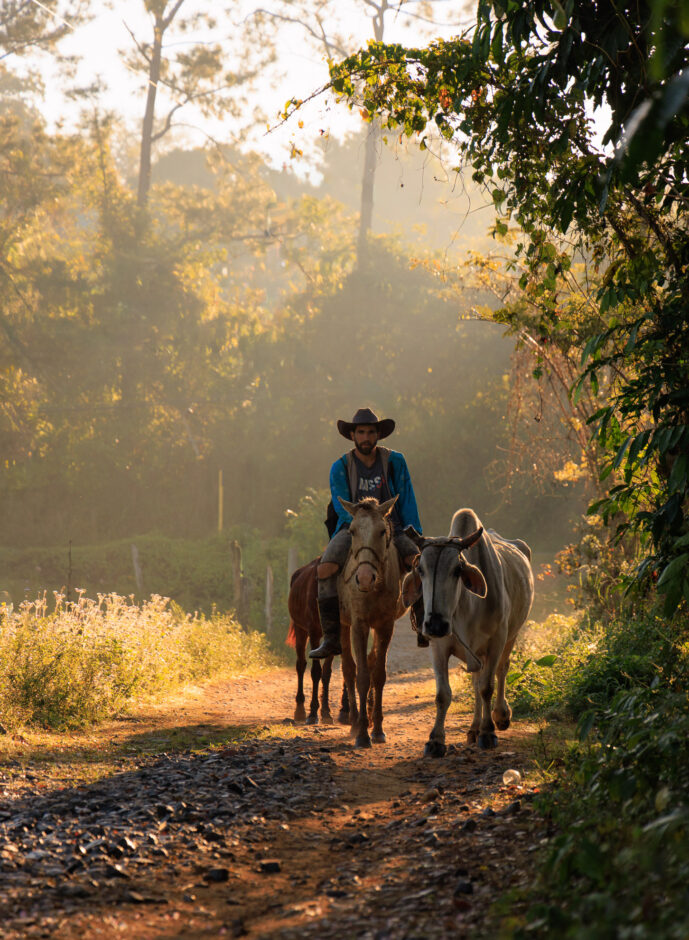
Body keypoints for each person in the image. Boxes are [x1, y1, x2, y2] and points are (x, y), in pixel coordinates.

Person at [309, 407, 427, 659]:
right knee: (325, 568)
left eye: (370, 432)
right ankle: (330, 637)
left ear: (378, 435)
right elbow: (342, 508)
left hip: (390, 527)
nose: (365, 437)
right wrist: (359, 530)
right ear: (352, 435)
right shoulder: (340, 466)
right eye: (360, 432)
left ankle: (423, 624)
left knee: (420, 564)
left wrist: (414, 533)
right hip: (354, 528)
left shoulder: (395, 461)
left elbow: (406, 499)